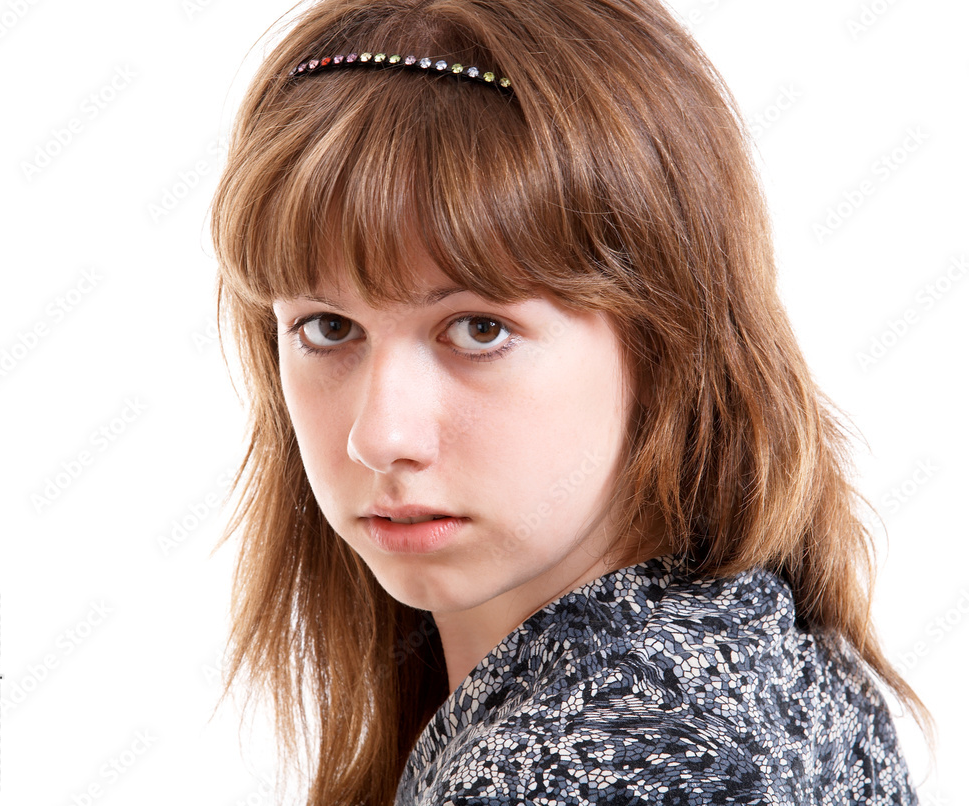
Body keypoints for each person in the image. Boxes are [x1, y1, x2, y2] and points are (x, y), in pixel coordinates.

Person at [209, 0, 932, 803]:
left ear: (667, 335)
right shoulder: (763, 642)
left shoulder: (584, 766)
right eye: (329, 326)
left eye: (479, 329)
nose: (381, 436)